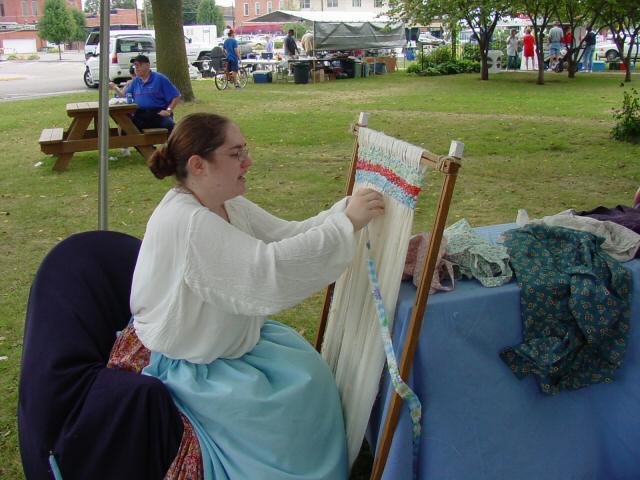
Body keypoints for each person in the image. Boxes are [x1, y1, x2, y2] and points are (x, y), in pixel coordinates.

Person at [130, 112, 385, 478]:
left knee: (310, 379)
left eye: (245, 150)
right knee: (285, 418)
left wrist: (343, 212)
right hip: (197, 364)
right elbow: (267, 271)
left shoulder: (224, 202)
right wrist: (346, 224)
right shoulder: (188, 221)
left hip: (230, 343)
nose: (247, 161)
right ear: (198, 165)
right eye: (236, 154)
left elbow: (287, 235)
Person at [128, 54, 180, 133]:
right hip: (140, 114)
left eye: (139, 65)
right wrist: (117, 88)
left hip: (158, 113)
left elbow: (176, 96)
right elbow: (125, 96)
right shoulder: (135, 81)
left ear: (148, 65)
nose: (136, 68)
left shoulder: (160, 78)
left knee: (170, 126)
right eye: (135, 65)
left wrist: (168, 110)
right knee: (126, 127)